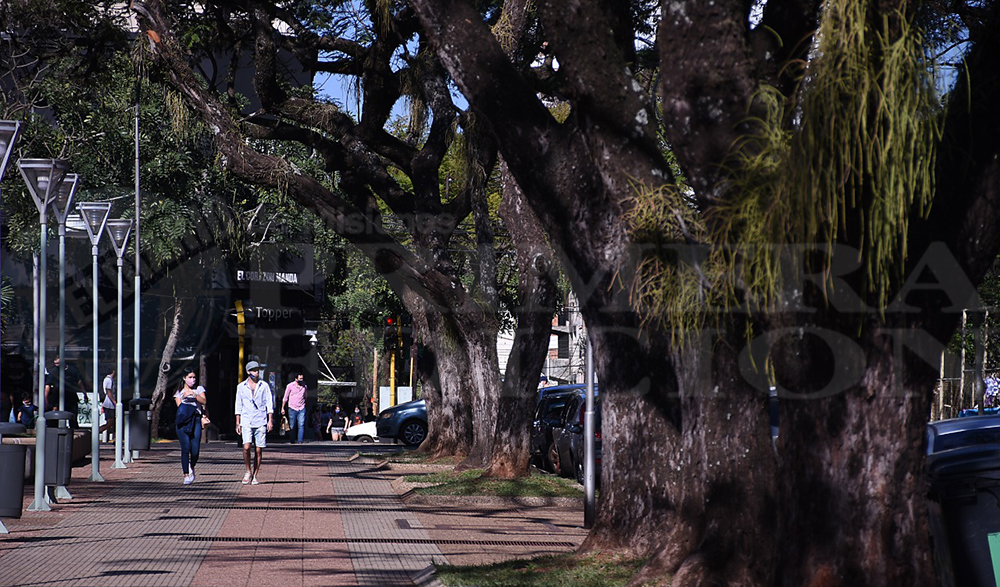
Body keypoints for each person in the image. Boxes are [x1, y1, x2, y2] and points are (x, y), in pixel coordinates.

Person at [235, 361, 273, 485]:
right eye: (253, 370)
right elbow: (238, 404)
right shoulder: (241, 386)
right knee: (246, 447)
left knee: (258, 450)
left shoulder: (264, 385)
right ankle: (248, 471)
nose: (256, 372)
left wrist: (270, 420)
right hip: (246, 420)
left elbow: (269, 403)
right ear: (248, 372)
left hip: (260, 419)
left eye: (257, 370)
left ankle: (255, 475)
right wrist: (238, 422)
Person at [174, 370, 207, 485]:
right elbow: (180, 408)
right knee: (185, 447)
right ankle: (186, 474)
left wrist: (194, 395)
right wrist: (184, 398)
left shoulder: (198, 389)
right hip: (183, 421)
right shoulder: (179, 392)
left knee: (195, 449)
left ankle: (191, 465)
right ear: (184, 378)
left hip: (196, 420)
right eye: (190, 377)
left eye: (194, 377)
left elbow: (204, 401)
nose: (193, 380)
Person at [280, 372, 307, 444]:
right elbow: (285, 397)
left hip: (301, 407)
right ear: (296, 379)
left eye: (302, 378)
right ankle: (292, 440)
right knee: (292, 425)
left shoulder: (304, 386)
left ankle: (300, 441)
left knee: (301, 424)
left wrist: (304, 403)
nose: (301, 380)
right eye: (300, 378)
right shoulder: (290, 386)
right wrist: (282, 408)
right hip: (292, 408)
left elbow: (305, 396)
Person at [101, 369, 116, 441]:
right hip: (109, 404)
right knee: (110, 422)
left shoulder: (110, 380)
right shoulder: (108, 380)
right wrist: (114, 402)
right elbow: (108, 391)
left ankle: (115, 438)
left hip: (110, 404)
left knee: (115, 422)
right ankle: (95, 432)